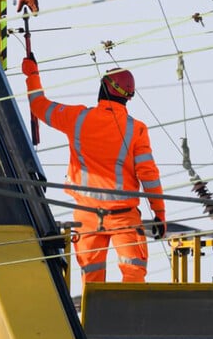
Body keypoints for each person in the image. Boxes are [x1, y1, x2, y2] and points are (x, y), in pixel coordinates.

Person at [22, 55, 167, 283]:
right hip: (123, 217)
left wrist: (32, 75)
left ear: (104, 88)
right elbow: (149, 175)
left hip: (87, 216)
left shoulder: (77, 118)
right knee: (134, 274)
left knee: (92, 279)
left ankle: (93, 308)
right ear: (128, 97)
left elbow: (39, 106)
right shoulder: (136, 130)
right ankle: (130, 307)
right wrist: (159, 213)